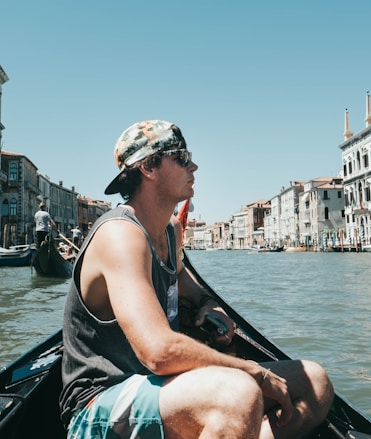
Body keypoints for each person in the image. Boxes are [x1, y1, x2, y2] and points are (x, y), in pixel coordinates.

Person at [60, 120, 334, 439]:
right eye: (182, 157)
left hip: (164, 389)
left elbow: (185, 283)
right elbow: (159, 352)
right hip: (99, 403)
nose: (194, 165)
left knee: (315, 382)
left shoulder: (170, 231)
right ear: (148, 167)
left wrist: (207, 304)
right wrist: (251, 370)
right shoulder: (120, 235)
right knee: (238, 393)